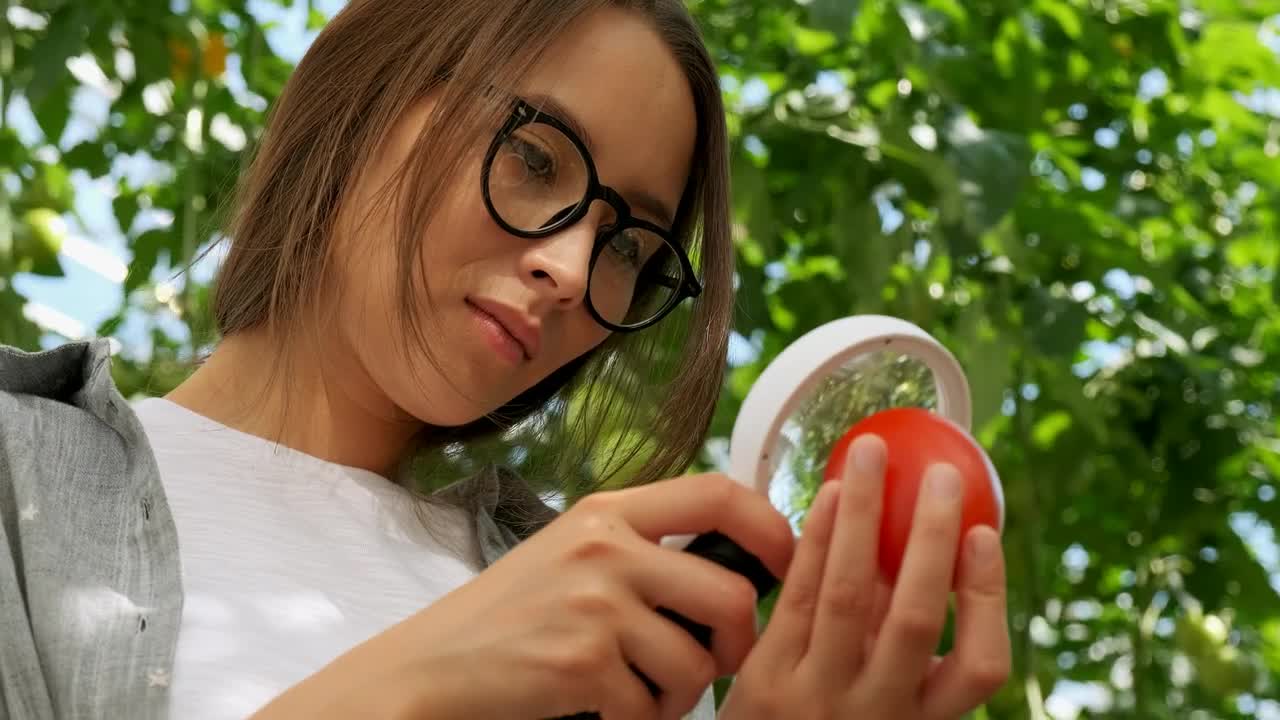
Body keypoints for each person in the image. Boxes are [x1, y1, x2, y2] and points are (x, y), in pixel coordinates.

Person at [0, 0, 1012, 718]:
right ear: (369, 89)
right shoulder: (19, 475)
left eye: (628, 248)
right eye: (534, 159)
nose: (571, 269)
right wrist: (416, 683)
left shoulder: (623, 640)